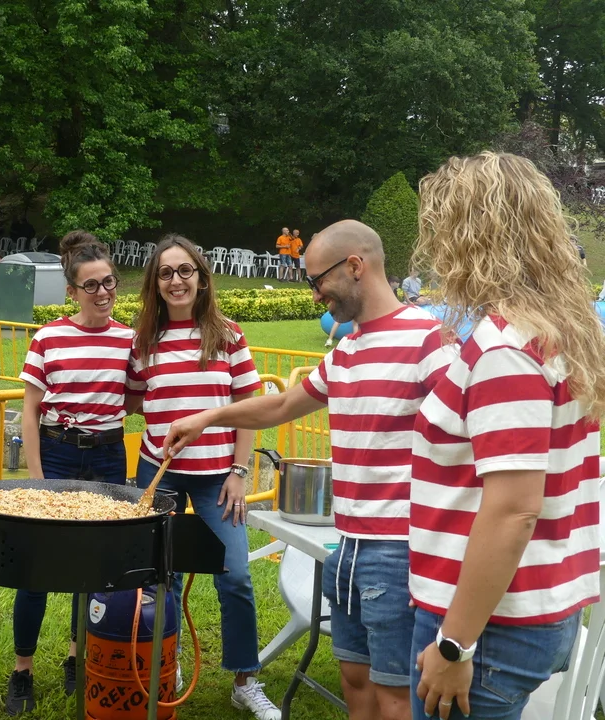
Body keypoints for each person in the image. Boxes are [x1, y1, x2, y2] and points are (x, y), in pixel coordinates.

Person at [163, 220, 457, 720]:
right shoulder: (347, 349)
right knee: (355, 680)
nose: (315, 293)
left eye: (317, 280)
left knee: (396, 695)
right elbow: (282, 406)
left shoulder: (431, 342)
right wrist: (209, 417)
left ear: (355, 266)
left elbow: (463, 453)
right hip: (346, 545)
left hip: (400, 551)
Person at [408, 152, 605, 720]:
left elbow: (514, 510)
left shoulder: (506, 350)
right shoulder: (557, 332)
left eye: (442, 229)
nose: (436, 248)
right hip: (517, 609)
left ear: (469, 237)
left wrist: (455, 645)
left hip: (488, 624)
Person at [127, 234, 280, 720]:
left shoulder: (229, 335)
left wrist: (240, 471)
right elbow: (131, 398)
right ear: (155, 283)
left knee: (236, 576)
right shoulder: (143, 341)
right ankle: (165, 663)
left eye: (185, 270)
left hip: (219, 477)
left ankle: (244, 679)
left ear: (201, 277)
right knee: (161, 577)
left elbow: (247, 408)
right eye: (165, 273)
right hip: (159, 474)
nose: (176, 281)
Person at [4, 231, 133, 715]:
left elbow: (138, 397)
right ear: (72, 291)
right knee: (36, 567)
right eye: (91, 285)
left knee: (93, 565)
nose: (103, 292)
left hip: (107, 456)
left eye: (109, 282)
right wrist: (38, 479)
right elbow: (29, 412)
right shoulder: (49, 338)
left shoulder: (129, 340)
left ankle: (78, 657)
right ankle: (23, 668)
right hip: (57, 454)